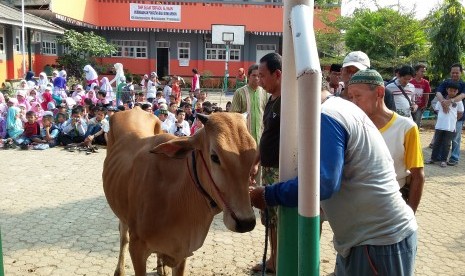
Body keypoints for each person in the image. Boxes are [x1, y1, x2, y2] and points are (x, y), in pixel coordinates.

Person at [250, 83, 418, 276]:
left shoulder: (327, 116)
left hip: (376, 243)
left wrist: (268, 194)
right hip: (366, 241)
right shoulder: (340, 107)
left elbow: (324, 182)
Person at [348, 69, 425, 213]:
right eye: (351, 97)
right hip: (356, 205)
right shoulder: (352, 126)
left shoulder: (406, 128)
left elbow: (417, 176)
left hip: (391, 205)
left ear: (379, 93)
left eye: (358, 96)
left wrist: (410, 215)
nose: (353, 102)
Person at [249, 52, 282, 274]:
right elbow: (266, 136)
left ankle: (280, 260)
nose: (259, 80)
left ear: (277, 74)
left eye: (262, 76)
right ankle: (273, 259)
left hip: (281, 170)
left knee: (278, 219)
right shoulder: (270, 100)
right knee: (269, 219)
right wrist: (256, 161)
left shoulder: (289, 101)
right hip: (268, 167)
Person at [433, 63, 465, 166]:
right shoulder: (445, 83)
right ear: (450, 72)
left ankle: (454, 158)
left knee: (455, 138)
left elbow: (462, 96)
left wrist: (449, 101)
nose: (454, 74)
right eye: (453, 72)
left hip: (458, 116)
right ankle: (439, 157)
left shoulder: (463, 85)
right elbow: (438, 93)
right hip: (445, 117)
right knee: (442, 139)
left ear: (461, 72)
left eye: (457, 72)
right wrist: (443, 102)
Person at [426, 81, 464, 167]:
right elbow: (437, 110)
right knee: (437, 142)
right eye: (450, 90)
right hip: (440, 125)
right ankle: (433, 158)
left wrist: (454, 120)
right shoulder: (441, 100)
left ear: (457, 92)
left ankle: (443, 160)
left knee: (446, 144)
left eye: (454, 91)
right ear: (447, 90)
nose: (452, 92)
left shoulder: (458, 102)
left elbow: (460, 113)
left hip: (450, 127)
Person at [231, 64, 269, 144]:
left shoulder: (265, 92)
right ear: (248, 76)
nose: (257, 78)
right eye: (254, 75)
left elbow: (268, 114)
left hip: (261, 138)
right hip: (244, 139)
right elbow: (233, 116)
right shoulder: (239, 92)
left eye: (259, 76)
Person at [410, 64, 431, 128]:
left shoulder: (426, 82)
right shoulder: (410, 81)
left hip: (420, 106)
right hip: (410, 105)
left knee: (417, 122)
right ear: (416, 72)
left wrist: (425, 105)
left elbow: (426, 94)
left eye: (424, 71)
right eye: (422, 71)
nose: (423, 73)